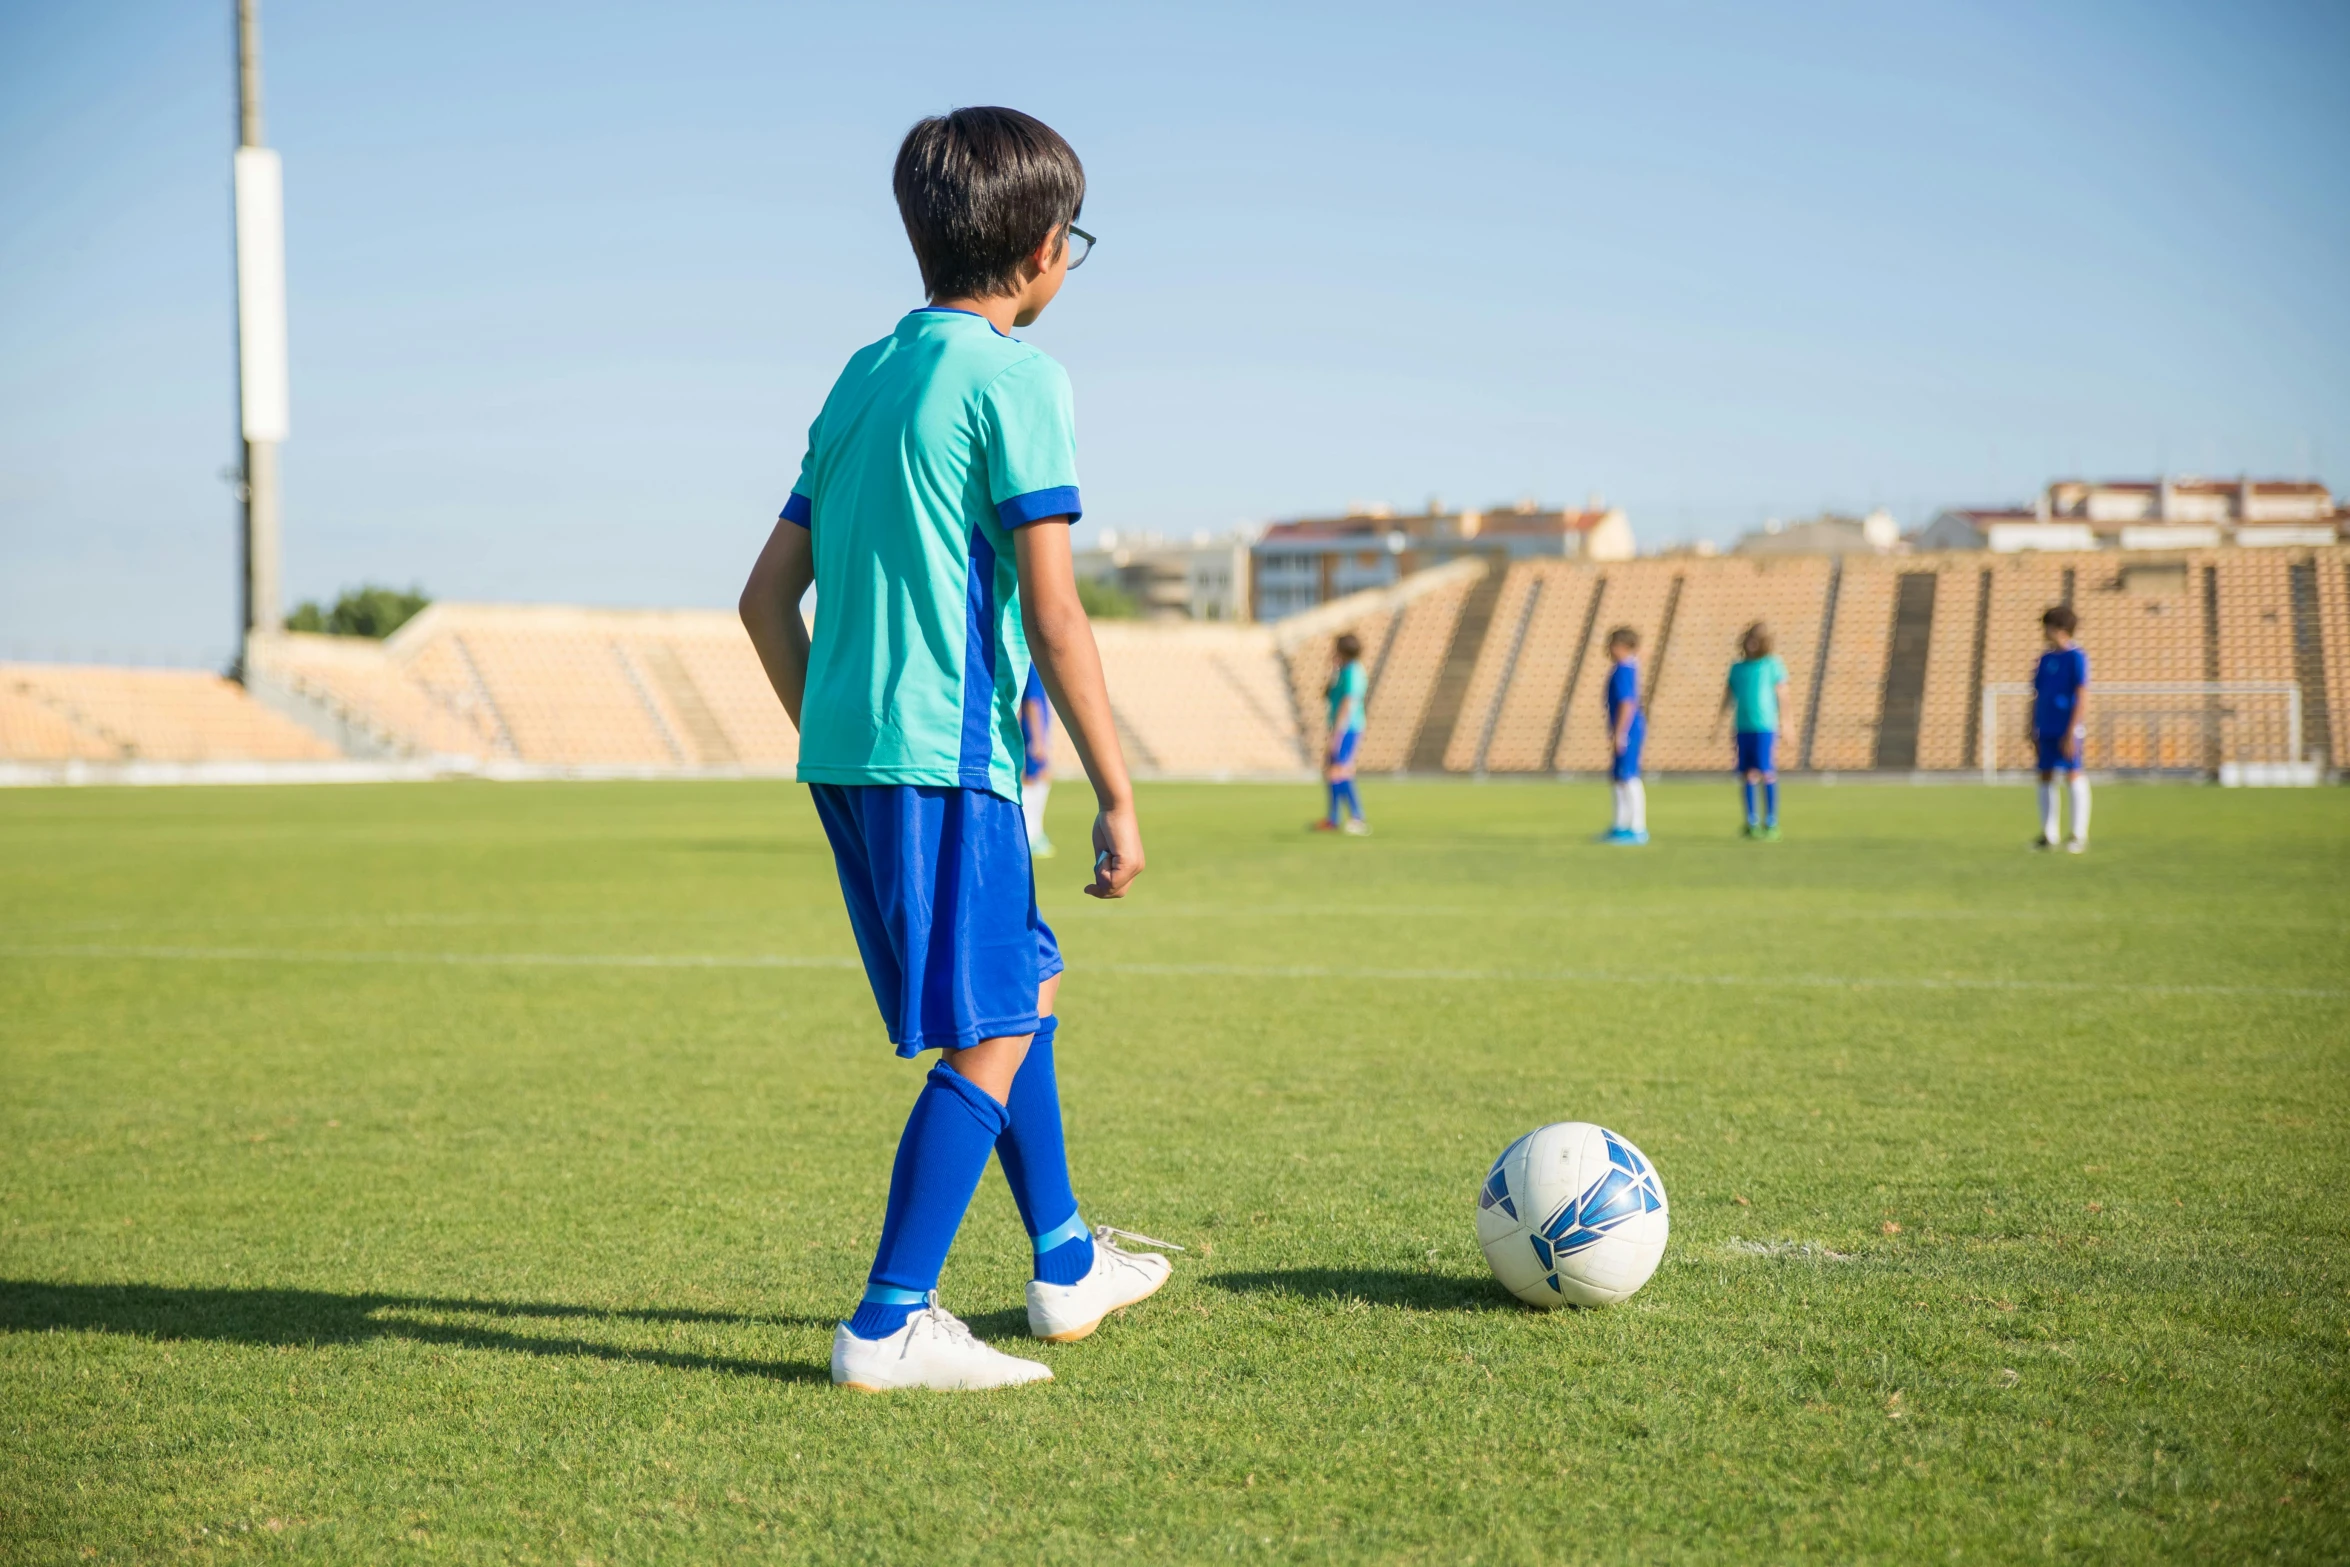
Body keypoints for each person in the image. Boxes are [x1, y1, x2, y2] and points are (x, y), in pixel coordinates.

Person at [738, 108, 1175, 1394]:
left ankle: (1064, 1260)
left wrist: (841, 734)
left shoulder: (863, 374)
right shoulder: (1018, 380)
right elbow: (1053, 612)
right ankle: (887, 1324)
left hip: (859, 753)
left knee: (1020, 986)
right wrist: (1118, 790)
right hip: (951, 754)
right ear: (1045, 249)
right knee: (989, 1028)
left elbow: (764, 601)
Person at [1717, 623, 1788, 839]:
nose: (1751, 644)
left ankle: (1771, 821)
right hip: (1742, 726)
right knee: (1747, 774)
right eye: (1749, 639)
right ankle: (1751, 821)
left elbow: (1783, 696)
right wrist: (1718, 724)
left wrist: (1787, 724)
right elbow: (1727, 696)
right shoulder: (1737, 667)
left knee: (1765, 771)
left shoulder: (1772, 665)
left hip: (1764, 726)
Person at [2029, 604, 2091, 852]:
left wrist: (2072, 729)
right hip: (2046, 726)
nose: (2043, 631)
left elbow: (2082, 694)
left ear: (2059, 628)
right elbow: (2036, 694)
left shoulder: (2076, 657)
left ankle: (2077, 834)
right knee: (2045, 775)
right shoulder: (2044, 659)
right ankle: (2048, 833)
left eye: (2046, 626)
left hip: (2067, 727)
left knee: (2073, 773)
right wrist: (2031, 726)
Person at [1311, 632, 1370, 835]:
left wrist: (1337, 733)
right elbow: (1325, 694)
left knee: (1339, 770)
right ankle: (1333, 818)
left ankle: (1357, 817)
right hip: (1340, 726)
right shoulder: (1342, 671)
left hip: (1348, 727)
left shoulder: (1354, 671)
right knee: (1332, 771)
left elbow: (1348, 703)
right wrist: (1332, 671)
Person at [1601, 627, 1647, 844]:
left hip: (1628, 730)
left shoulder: (1624, 670)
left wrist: (1620, 733)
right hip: (1625, 729)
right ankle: (1621, 825)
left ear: (1623, 647)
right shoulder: (1624, 669)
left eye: (1613, 644)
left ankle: (1637, 828)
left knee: (1629, 777)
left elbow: (1627, 704)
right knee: (1619, 778)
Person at [1020, 663, 1055, 858]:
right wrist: (1038, 740)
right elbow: (1031, 703)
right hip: (1031, 736)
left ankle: (1035, 832)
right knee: (1031, 781)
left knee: (1041, 778)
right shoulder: (1032, 664)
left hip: (1035, 735)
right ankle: (1029, 834)